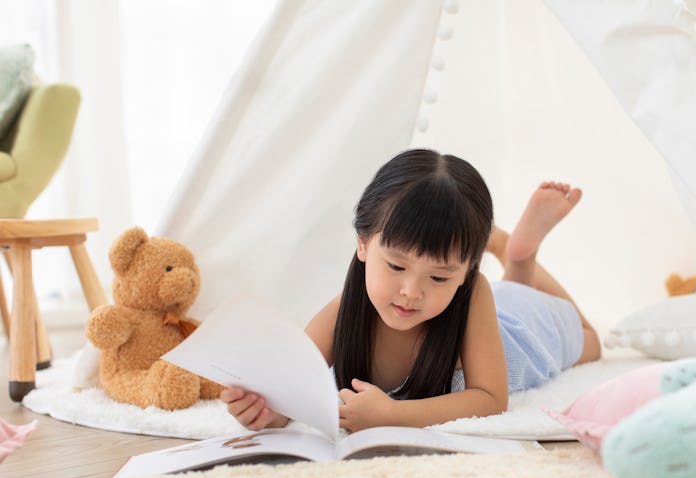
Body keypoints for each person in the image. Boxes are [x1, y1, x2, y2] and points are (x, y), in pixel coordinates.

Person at [221, 149, 600, 432]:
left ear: (467, 271)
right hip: (480, 313)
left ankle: (517, 254)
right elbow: (292, 383)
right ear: (364, 243)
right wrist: (268, 411)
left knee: (591, 342)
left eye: (438, 277)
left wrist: (393, 414)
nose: (411, 292)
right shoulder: (346, 308)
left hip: (517, 329)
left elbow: (491, 398)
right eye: (397, 266)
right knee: (508, 293)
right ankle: (517, 256)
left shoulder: (474, 292)